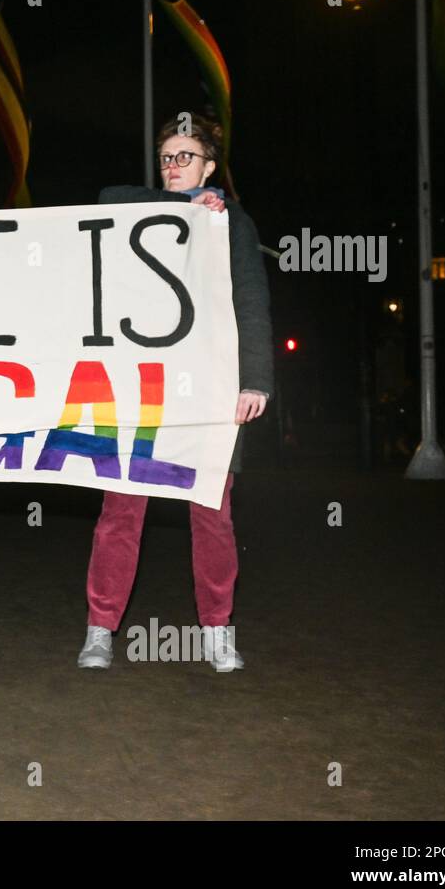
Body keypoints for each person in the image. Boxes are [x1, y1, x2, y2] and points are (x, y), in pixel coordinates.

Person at [77, 114, 274, 673]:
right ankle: (100, 629)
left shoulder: (232, 223)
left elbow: (251, 302)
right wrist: (187, 201)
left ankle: (217, 631)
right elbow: (106, 195)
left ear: (211, 165)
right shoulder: (142, 209)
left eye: (186, 156)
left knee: (212, 514)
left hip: (210, 388)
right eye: (167, 157)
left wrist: (255, 379)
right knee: (120, 510)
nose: (174, 166)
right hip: (145, 389)